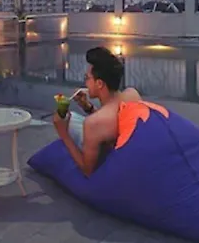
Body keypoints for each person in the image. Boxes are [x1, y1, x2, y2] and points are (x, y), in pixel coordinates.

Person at [53, 46, 142, 177]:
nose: (85, 83)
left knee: (70, 121)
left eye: (87, 78)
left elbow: (87, 171)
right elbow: (112, 122)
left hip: (121, 170)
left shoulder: (93, 123)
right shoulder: (132, 94)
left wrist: (63, 133)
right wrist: (88, 108)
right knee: (75, 118)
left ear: (99, 83)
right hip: (138, 158)